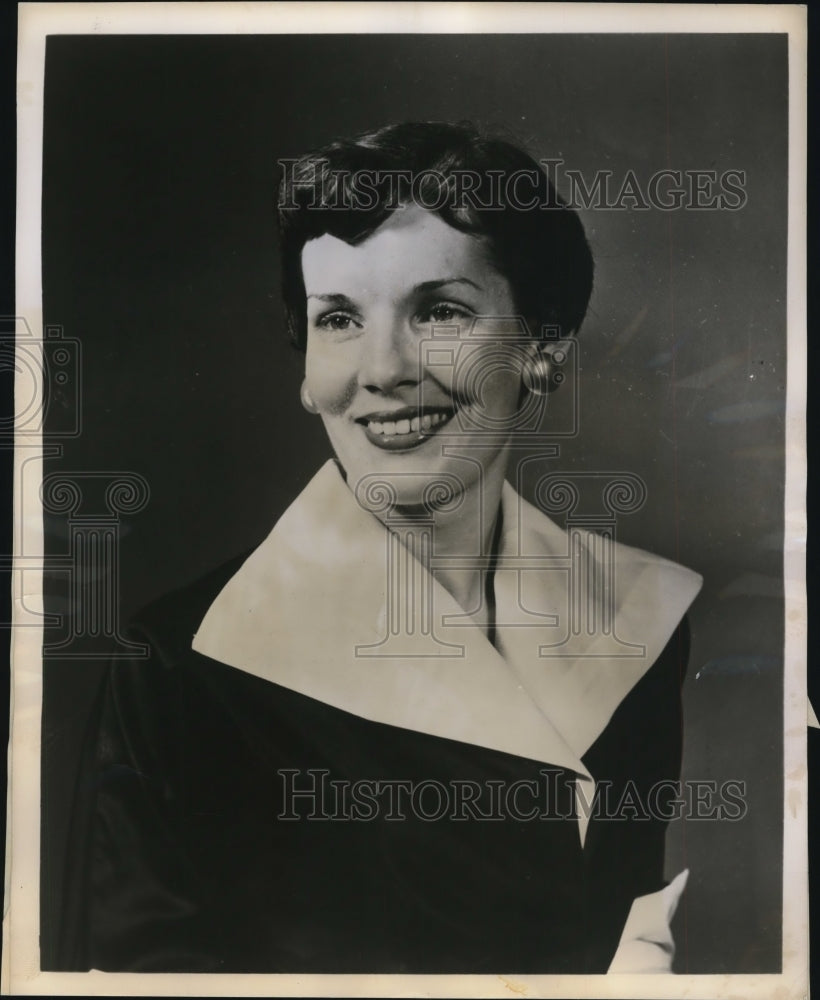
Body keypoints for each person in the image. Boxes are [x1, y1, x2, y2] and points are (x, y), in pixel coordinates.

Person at [60, 122, 702, 974]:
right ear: (305, 370)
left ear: (543, 350)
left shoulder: (636, 624)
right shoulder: (178, 667)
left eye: (438, 311)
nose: (382, 369)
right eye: (338, 320)